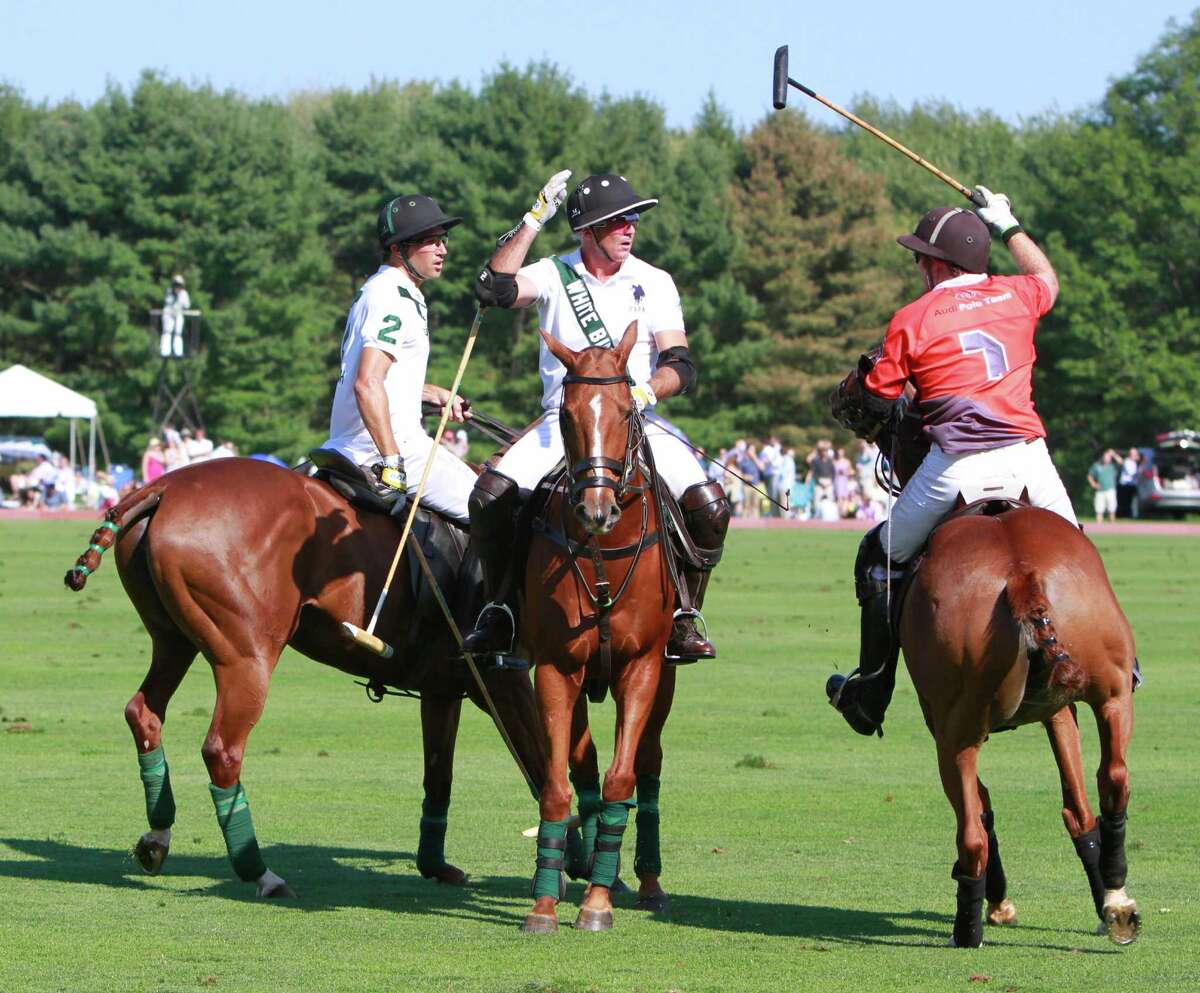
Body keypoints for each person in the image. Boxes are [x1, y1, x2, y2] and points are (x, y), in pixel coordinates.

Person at [828, 186, 1079, 738]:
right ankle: (1122, 665)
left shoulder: (914, 317)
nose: (919, 265)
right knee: (1078, 556)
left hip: (958, 466)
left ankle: (871, 689)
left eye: (921, 256)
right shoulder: (1018, 294)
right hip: (1030, 460)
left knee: (878, 555)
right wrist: (1009, 223)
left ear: (938, 265)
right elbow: (1051, 280)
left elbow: (878, 394)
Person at [464, 171, 731, 662]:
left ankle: (684, 616)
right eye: (618, 221)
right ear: (586, 231)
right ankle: (501, 609)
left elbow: (682, 364)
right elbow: (494, 288)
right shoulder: (551, 273)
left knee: (710, 508)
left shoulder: (655, 282)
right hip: (561, 423)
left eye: (633, 218)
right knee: (488, 498)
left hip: (636, 420)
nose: (630, 227)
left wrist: (647, 392)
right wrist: (532, 219)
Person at [322, 193, 476, 524]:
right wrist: (392, 460)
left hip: (358, 441)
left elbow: (378, 377)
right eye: (430, 242)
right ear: (398, 249)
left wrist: (432, 393)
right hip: (385, 447)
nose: (442, 250)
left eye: (442, 240)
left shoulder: (389, 290)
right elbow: (367, 383)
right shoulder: (391, 296)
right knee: (494, 509)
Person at [161, 275, 190, 358]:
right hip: (168, 314)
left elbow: (187, 305)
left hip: (179, 314)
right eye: (176, 285)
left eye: (179, 285)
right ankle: (165, 351)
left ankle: (178, 352)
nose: (177, 287)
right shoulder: (169, 292)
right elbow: (168, 303)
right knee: (167, 332)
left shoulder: (184, 294)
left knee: (178, 333)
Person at [1088, 449, 1119, 524]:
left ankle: (1112, 528)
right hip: (1100, 491)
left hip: (1110, 490)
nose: (1107, 459)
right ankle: (1100, 528)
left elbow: (1121, 462)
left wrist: (1113, 454)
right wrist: (1094, 484)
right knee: (1099, 510)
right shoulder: (1097, 466)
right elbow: (1090, 476)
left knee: (1112, 510)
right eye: (1105, 457)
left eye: (1108, 457)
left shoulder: (1113, 466)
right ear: (1102, 457)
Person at [1117, 447, 1140, 517]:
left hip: (1132, 485)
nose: (1135, 455)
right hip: (1125, 485)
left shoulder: (1134, 463)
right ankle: (1122, 515)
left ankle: (1130, 515)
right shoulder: (1127, 461)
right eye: (1134, 454)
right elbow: (1131, 473)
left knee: (1131, 502)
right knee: (1124, 502)